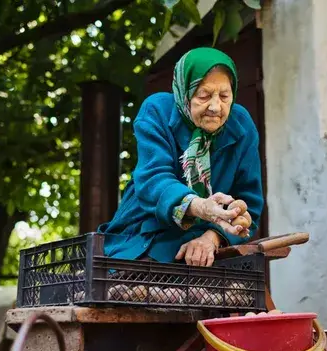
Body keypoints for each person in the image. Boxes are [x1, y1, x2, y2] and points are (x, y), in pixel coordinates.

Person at [98, 47, 263, 267]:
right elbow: (153, 180)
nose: (216, 107)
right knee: (134, 282)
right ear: (184, 92)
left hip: (207, 238)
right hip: (146, 231)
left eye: (224, 96)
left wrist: (211, 237)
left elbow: (249, 203)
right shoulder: (157, 110)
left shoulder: (241, 124)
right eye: (203, 95)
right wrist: (202, 207)